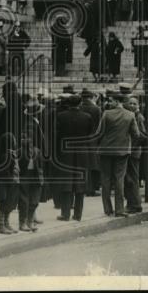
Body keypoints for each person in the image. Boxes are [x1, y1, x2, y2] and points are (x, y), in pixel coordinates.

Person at [94, 94, 139, 217]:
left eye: (111, 100)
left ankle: (107, 209)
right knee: (120, 180)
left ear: (116, 101)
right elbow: (136, 134)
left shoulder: (107, 114)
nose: (110, 102)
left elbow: (99, 132)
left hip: (105, 151)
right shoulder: (130, 115)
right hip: (122, 152)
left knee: (106, 179)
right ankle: (119, 210)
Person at [52, 93, 95, 221]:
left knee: (66, 183)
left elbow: (56, 136)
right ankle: (78, 214)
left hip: (66, 153)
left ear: (68, 103)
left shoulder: (60, 116)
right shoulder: (87, 117)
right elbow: (91, 136)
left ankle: (65, 214)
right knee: (80, 184)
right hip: (82, 152)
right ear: (80, 103)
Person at [0, 131, 20, 235]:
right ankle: (1, 225)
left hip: (10, 184)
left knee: (9, 204)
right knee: (4, 204)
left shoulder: (11, 154)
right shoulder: (6, 155)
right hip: (6, 184)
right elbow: (6, 172)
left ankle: (6, 223)